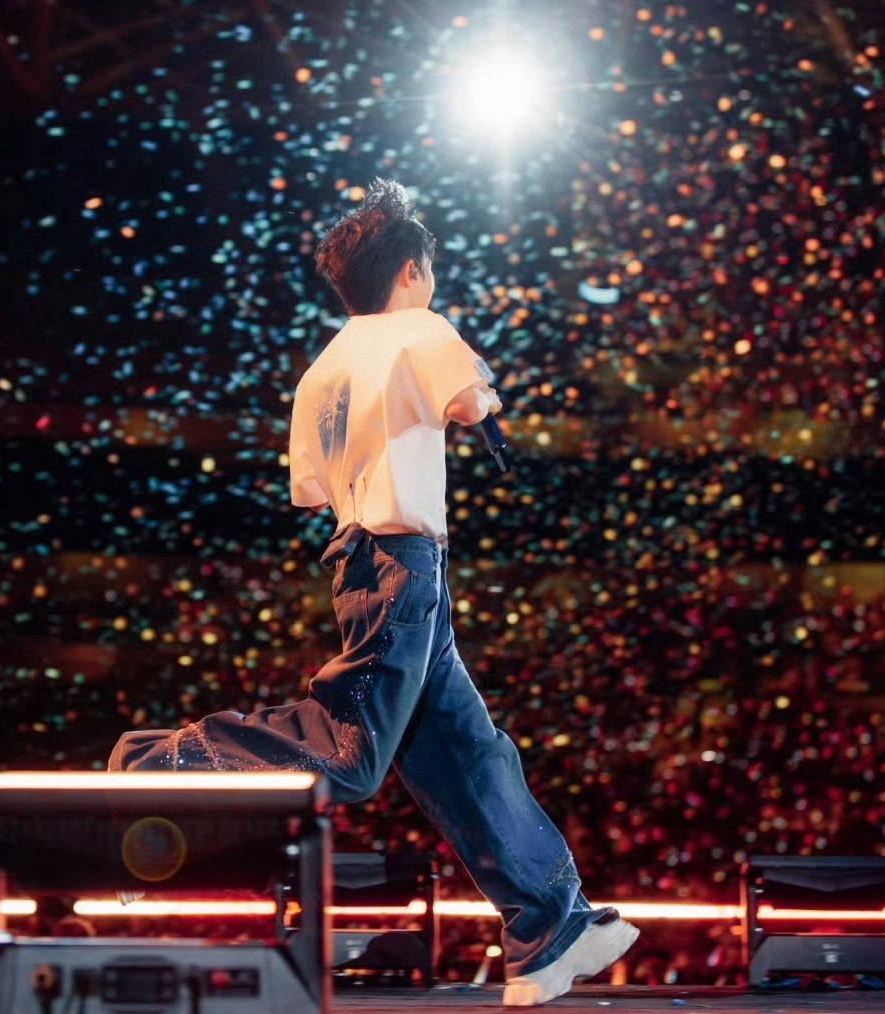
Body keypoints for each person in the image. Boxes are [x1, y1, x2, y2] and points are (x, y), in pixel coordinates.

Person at [107, 178, 637, 1004]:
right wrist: (480, 397)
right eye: (431, 268)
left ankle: (547, 928)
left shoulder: (324, 366)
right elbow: (472, 401)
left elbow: (311, 490)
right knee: (348, 754)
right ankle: (159, 762)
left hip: (362, 558)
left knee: (468, 754)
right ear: (412, 271)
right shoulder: (421, 327)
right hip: (403, 562)